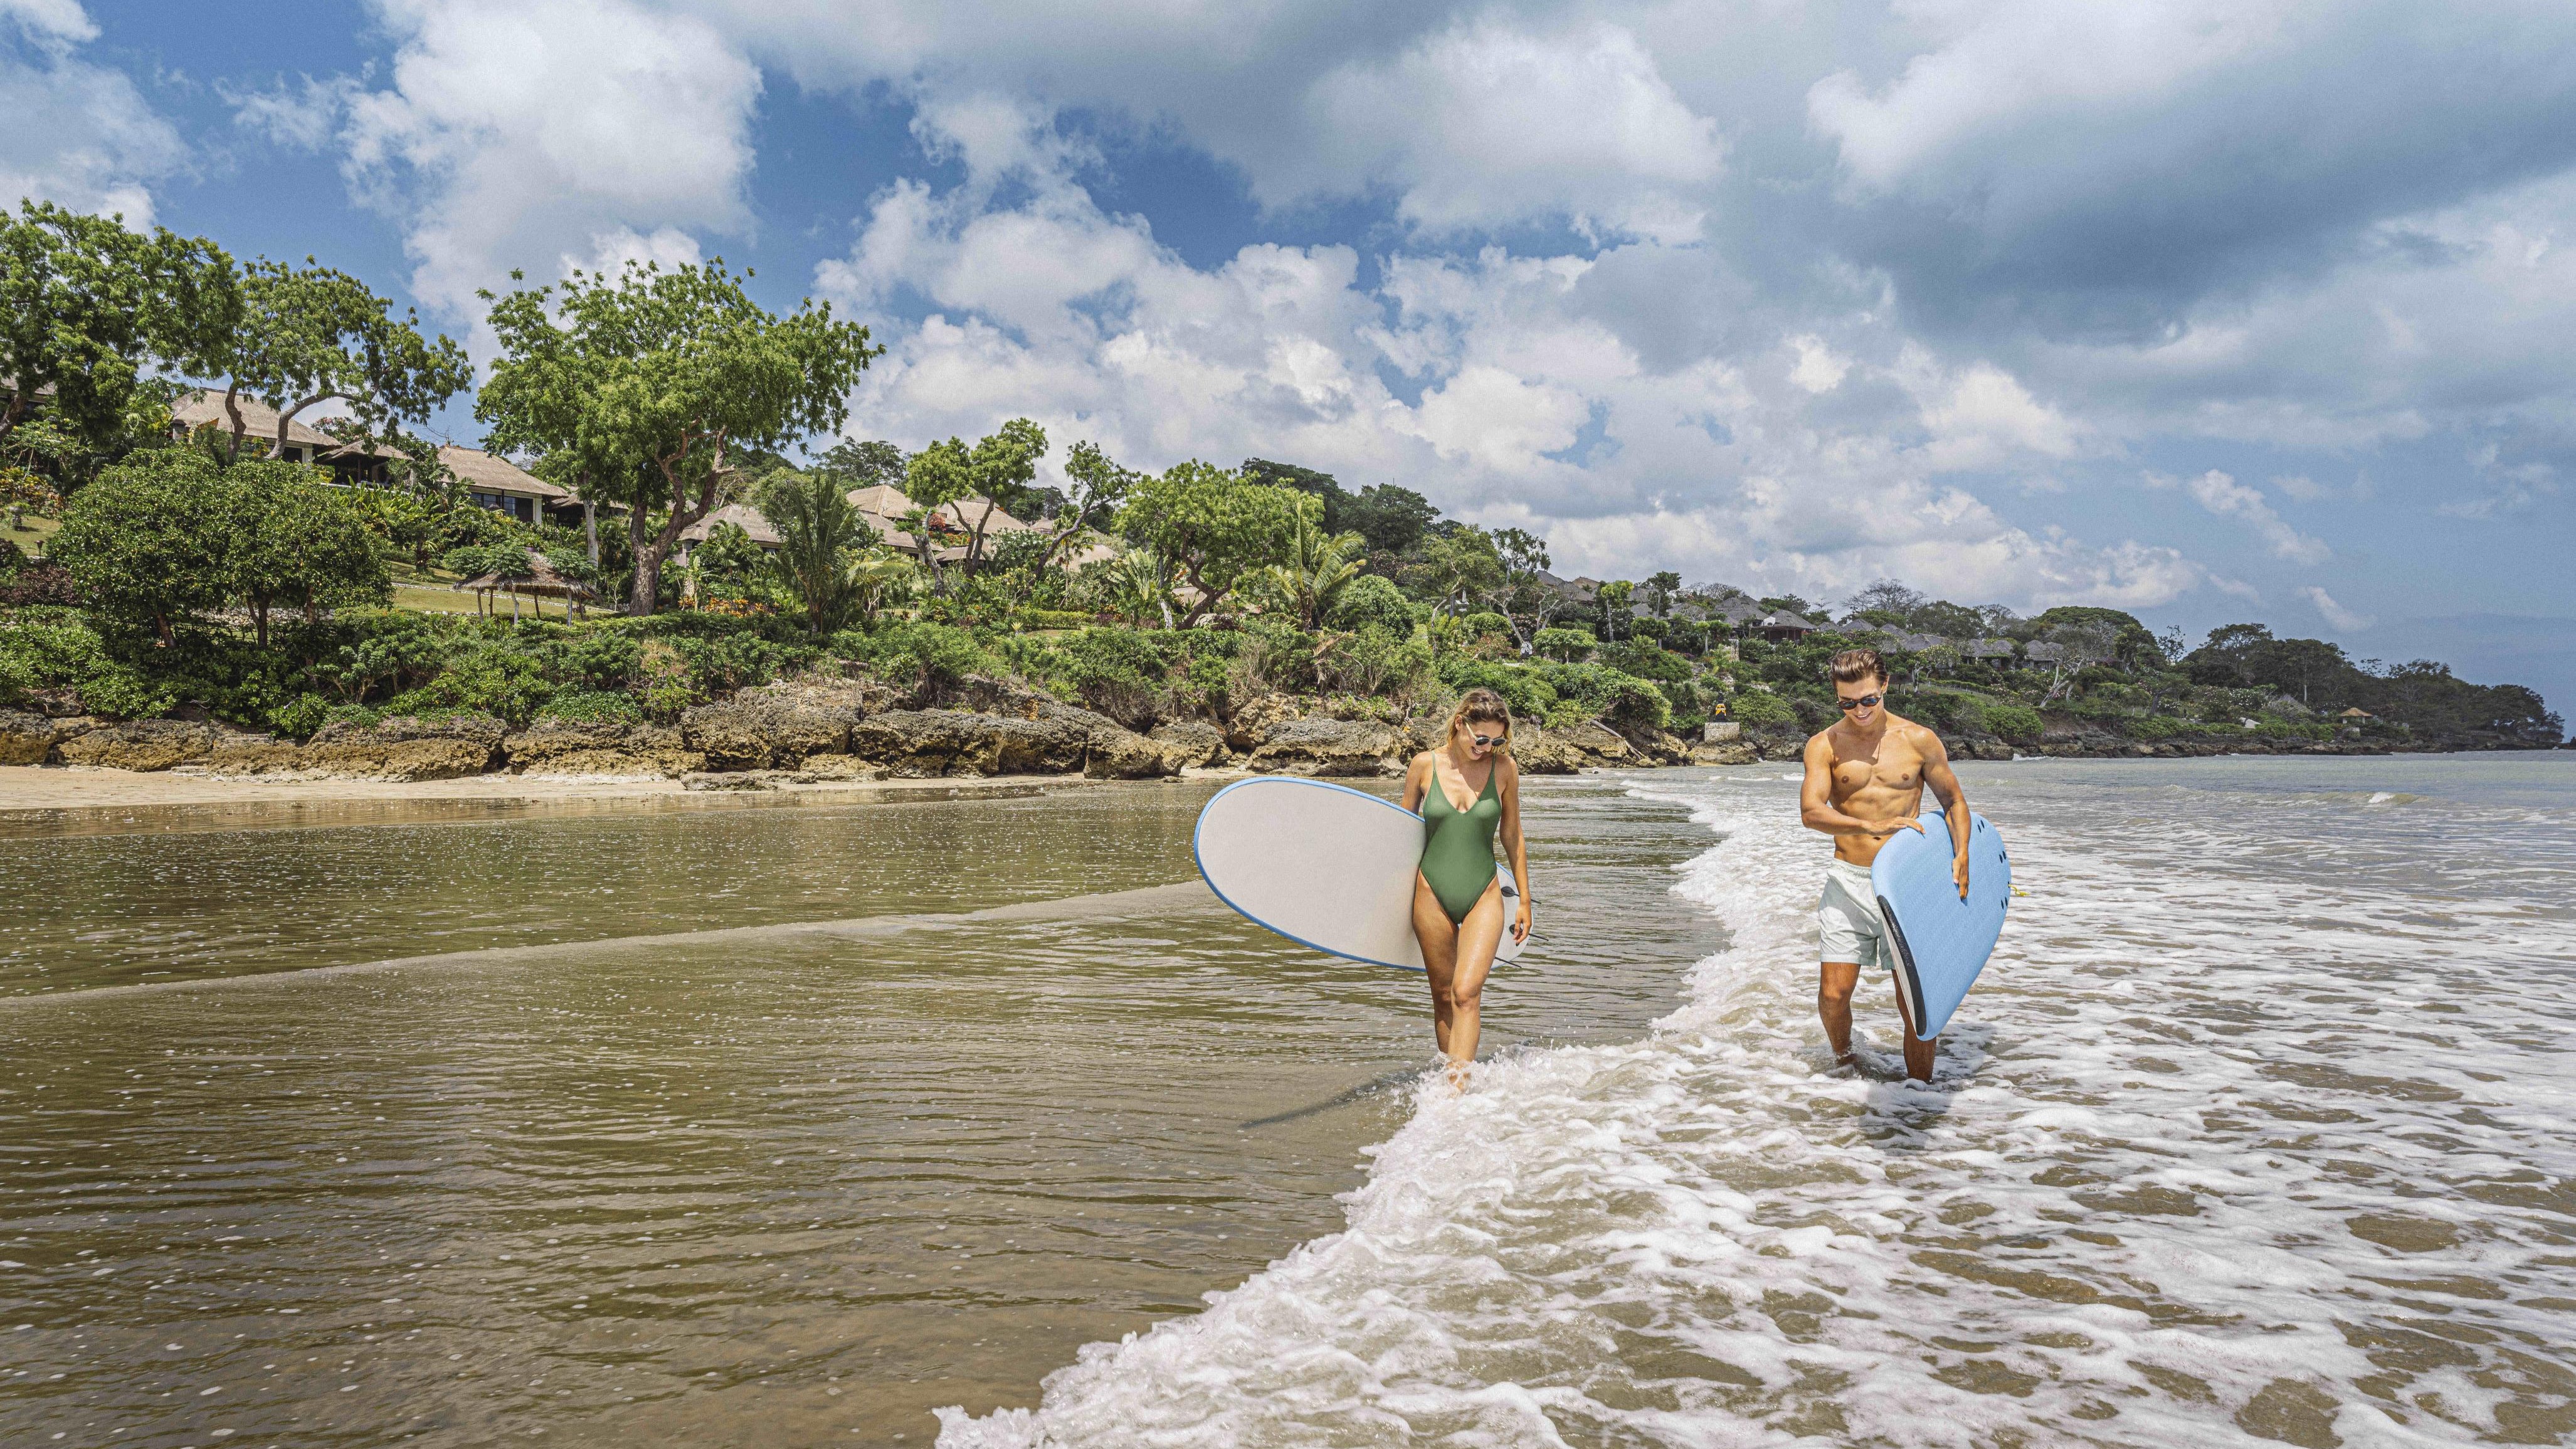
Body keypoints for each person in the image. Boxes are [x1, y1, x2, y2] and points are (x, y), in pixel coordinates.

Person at [1798, 647, 1973, 1082]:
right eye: (1847, 702)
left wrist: (1963, 853)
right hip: (1849, 881)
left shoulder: (1919, 740)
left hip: (1907, 885)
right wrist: (1867, 823)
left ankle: (1920, 1095)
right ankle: (1844, 1064)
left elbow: (1953, 801)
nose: (1859, 710)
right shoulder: (1825, 745)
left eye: (1868, 700)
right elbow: (1811, 812)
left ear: (1885, 687)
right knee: (1834, 994)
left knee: (1913, 1000)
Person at [1401, 687, 1533, 1087]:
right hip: (1431, 893)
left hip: (1484, 893)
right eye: (1481, 739)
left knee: (1466, 992)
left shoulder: (1505, 769)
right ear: (1461, 724)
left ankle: (1457, 1094)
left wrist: (1524, 899)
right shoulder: (1424, 765)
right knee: (1442, 995)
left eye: (1497, 741)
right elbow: (1399, 835)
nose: (1488, 748)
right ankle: (1450, 1081)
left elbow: (1512, 835)